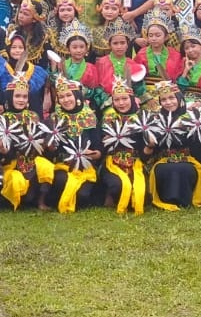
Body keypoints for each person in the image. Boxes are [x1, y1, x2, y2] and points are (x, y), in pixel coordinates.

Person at [142, 81, 201, 211]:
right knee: (167, 169)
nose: (168, 102)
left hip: (188, 160)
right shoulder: (155, 120)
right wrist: (149, 145)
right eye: (164, 99)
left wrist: (191, 130)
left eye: (172, 98)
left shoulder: (192, 118)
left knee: (184, 168)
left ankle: (185, 200)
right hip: (163, 160)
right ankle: (167, 200)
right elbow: (146, 153)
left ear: (179, 99)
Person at [44, 76, 102, 213]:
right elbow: (49, 152)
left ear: (76, 96)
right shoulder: (54, 118)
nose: (66, 100)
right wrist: (50, 147)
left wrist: (94, 154)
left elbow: (98, 148)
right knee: (61, 181)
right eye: (62, 97)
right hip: (62, 165)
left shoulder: (90, 117)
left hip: (85, 167)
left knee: (83, 195)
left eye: (69, 95)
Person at [99, 79, 146, 215]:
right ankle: (111, 195)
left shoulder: (141, 118)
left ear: (132, 99)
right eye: (117, 100)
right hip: (113, 162)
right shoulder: (108, 118)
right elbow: (101, 145)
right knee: (118, 185)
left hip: (137, 162)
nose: (121, 103)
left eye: (124, 99)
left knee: (141, 189)